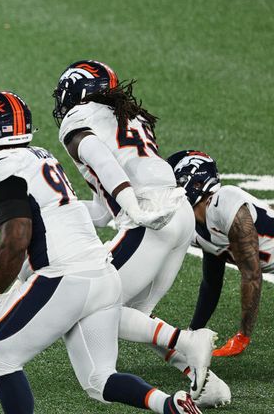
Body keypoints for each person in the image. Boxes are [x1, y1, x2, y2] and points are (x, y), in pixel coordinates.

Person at [0, 91, 202, 414]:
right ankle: (170, 405)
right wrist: (12, 290)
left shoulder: (2, 166)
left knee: (2, 361)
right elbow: (41, 232)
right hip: (103, 276)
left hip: (65, 278)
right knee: (99, 380)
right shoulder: (41, 156)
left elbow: (17, 238)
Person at [51, 60, 229, 407]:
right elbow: (104, 211)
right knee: (133, 314)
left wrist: (131, 203)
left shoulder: (79, 119)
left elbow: (99, 157)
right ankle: (203, 381)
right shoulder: (131, 118)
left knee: (85, 304)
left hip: (148, 216)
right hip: (177, 214)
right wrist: (55, 212)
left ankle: (187, 341)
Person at [168, 150, 273, 357]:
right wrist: (193, 333)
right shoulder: (195, 225)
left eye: (178, 183)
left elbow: (252, 274)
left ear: (196, 184)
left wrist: (243, 335)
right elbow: (211, 283)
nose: (173, 191)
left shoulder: (224, 202)